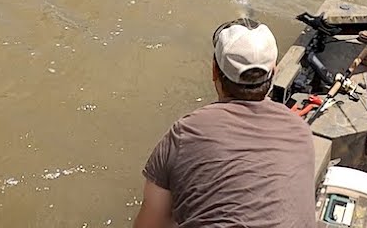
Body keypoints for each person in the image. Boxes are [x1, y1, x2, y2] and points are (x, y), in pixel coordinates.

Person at [132, 18, 317, 228]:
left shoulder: (184, 134)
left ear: (214, 72)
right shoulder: (301, 133)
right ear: (273, 72)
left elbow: (149, 225)